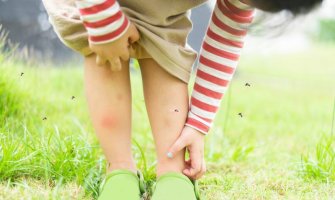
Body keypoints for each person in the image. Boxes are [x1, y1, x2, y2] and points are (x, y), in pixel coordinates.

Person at [42, 0, 323, 199]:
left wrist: (199, 121)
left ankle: (172, 173)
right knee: (105, 55)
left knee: (167, 57)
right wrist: (103, 21)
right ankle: (119, 168)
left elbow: (225, 37)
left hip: (161, 10)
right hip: (94, 6)